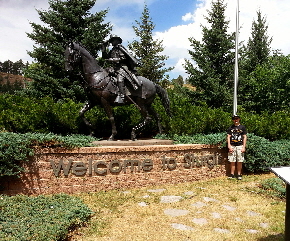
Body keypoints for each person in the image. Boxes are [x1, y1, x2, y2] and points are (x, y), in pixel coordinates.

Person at [102, 35, 141, 104]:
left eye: (113, 41)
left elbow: (123, 58)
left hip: (122, 67)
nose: (111, 43)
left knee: (120, 79)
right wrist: (103, 48)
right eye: (111, 41)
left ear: (117, 40)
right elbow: (105, 57)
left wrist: (113, 60)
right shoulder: (112, 50)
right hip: (115, 68)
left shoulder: (120, 48)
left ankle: (122, 96)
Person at [227, 115, 247, 180]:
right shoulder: (231, 127)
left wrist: (244, 147)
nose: (235, 120)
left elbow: (244, 137)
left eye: (237, 119)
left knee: (239, 161)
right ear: (233, 120)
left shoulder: (242, 127)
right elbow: (228, 137)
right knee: (232, 160)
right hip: (232, 145)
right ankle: (232, 174)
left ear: (239, 119)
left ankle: (239, 174)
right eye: (234, 119)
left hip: (239, 146)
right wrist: (229, 146)